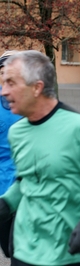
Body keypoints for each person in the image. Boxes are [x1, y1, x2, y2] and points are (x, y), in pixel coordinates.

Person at [0, 50, 80, 266]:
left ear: (37, 87)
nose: (3, 92)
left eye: (11, 83)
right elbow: (27, 178)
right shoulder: (18, 132)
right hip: (26, 249)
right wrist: (5, 204)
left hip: (74, 249)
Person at [0, 50, 21, 259]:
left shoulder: (33, 102)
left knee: (18, 248)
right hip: (2, 184)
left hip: (28, 184)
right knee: (7, 246)